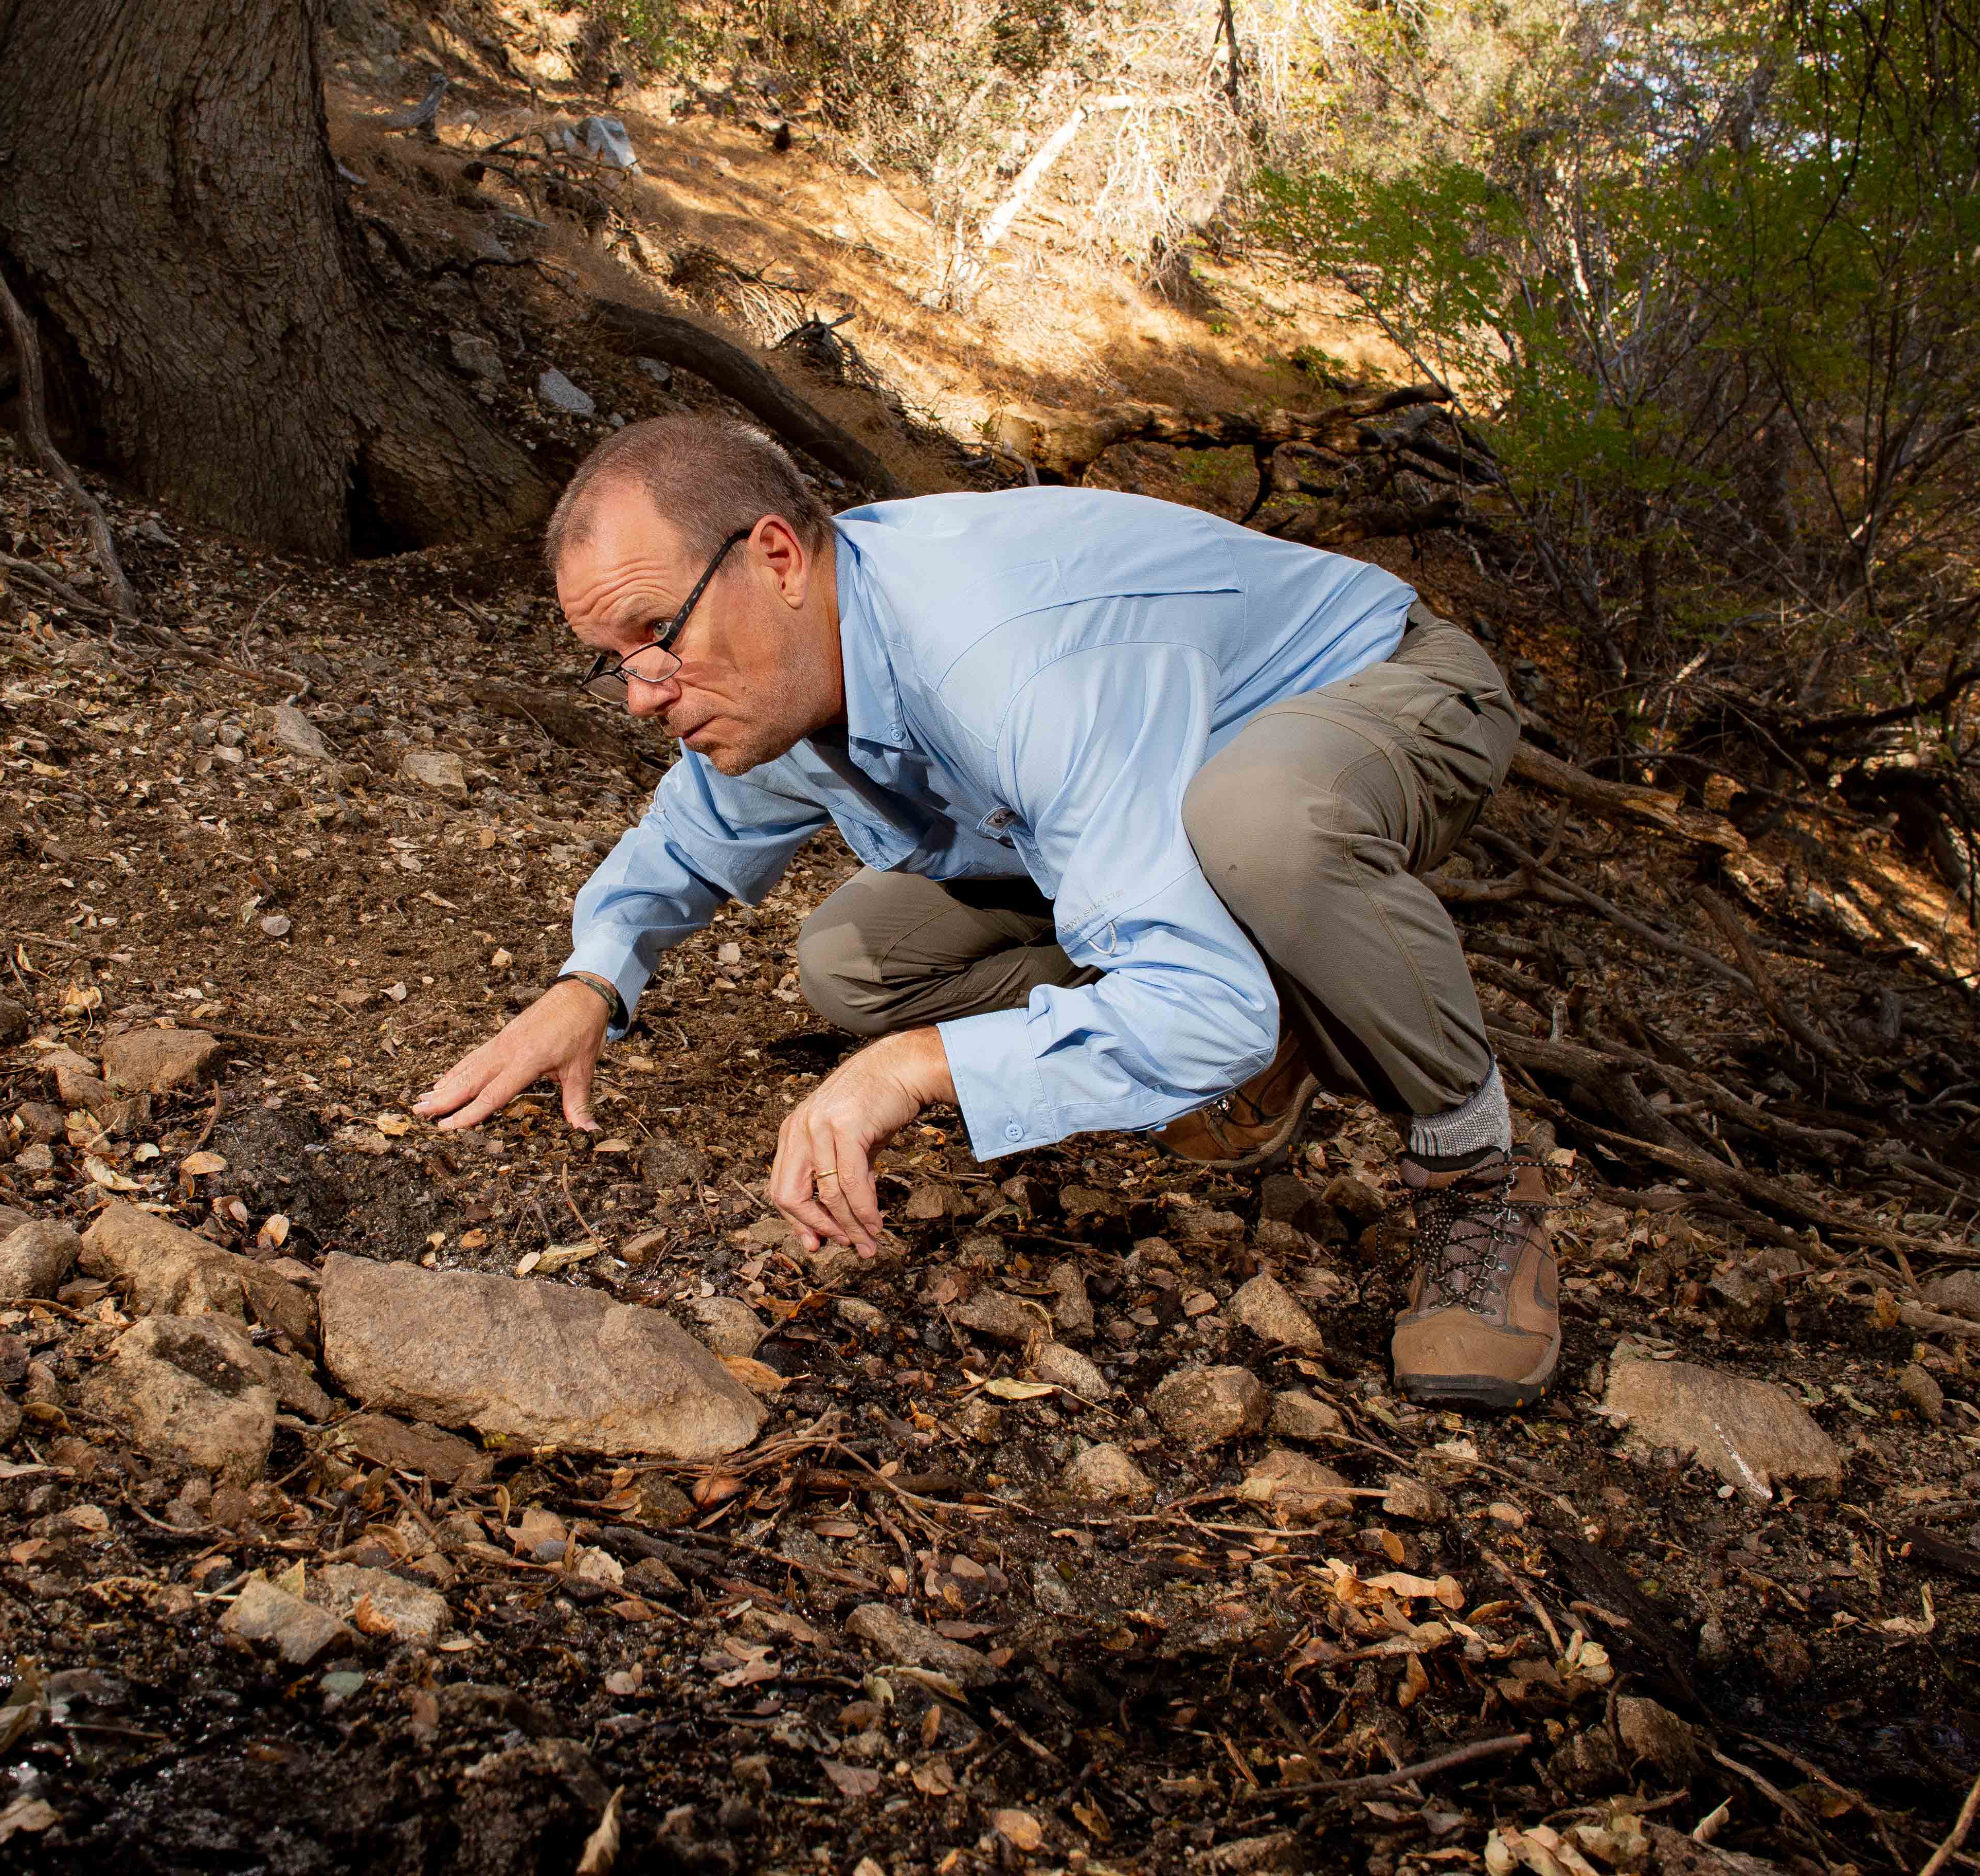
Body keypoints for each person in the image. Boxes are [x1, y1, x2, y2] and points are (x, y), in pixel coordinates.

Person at [415, 414, 1559, 1411]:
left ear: (776, 557)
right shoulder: (791, 659)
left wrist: (916, 1068)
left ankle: (1475, 1172)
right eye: (613, 661)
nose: (641, 696)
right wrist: (593, 981)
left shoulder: (1009, 666)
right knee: (856, 960)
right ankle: (1274, 996)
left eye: (656, 635)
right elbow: (691, 832)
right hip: (1143, 784)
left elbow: (1202, 1006)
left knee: (1260, 830)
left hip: (1381, 689)